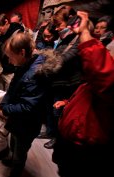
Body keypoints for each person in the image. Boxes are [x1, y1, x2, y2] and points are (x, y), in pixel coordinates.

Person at [52, 11, 114, 177]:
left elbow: (102, 73)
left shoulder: (105, 81)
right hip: (78, 136)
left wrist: (84, 33)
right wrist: (68, 102)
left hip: (88, 144)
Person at [0, 32, 61, 177]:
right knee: (13, 140)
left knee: (21, 150)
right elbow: (14, 84)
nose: (9, 60)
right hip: (18, 119)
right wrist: (6, 101)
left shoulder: (36, 74)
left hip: (27, 122)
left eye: (11, 56)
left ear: (22, 52)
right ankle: (12, 158)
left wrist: (6, 107)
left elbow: (28, 106)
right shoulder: (26, 64)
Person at [43, 5, 83, 149]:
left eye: (59, 24)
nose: (57, 28)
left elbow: (64, 58)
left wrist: (45, 60)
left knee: (59, 112)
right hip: (58, 81)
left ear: (71, 21)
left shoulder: (77, 39)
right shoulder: (64, 38)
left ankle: (58, 138)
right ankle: (50, 132)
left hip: (68, 83)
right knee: (50, 109)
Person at [0, 13, 24, 91]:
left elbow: (14, 52)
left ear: (6, 22)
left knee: (9, 95)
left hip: (11, 72)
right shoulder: (3, 33)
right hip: (2, 69)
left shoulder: (18, 33)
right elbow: (0, 52)